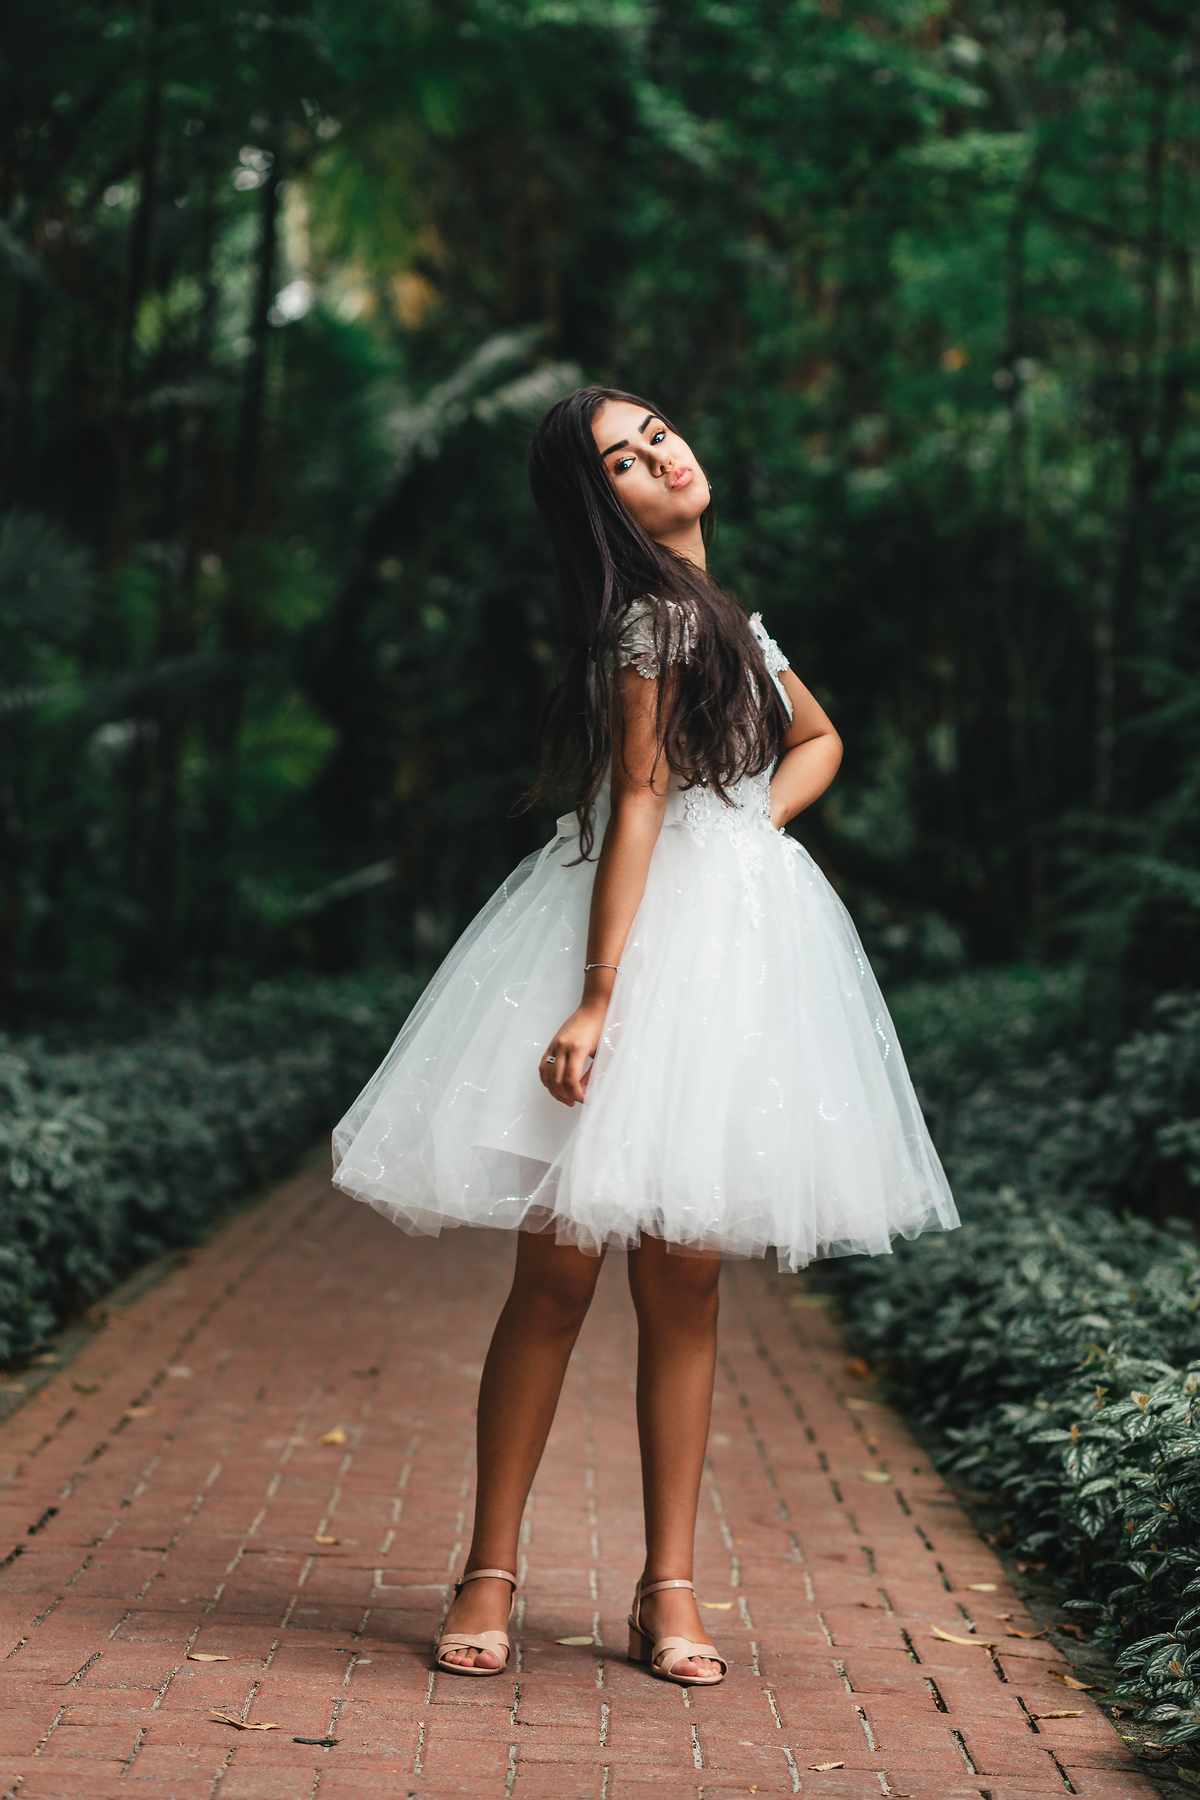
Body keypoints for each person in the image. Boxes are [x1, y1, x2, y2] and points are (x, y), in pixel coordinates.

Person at [331, 386, 958, 1687]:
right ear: (600, 505)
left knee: (685, 1275)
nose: (660, 451)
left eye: (656, 429)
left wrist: (752, 830)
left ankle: (665, 1590)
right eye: (624, 456)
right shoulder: (652, 618)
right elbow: (634, 797)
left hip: (733, 952)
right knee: (557, 1274)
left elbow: (821, 738)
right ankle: (488, 1572)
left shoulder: (728, 615)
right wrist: (601, 994)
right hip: (626, 934)